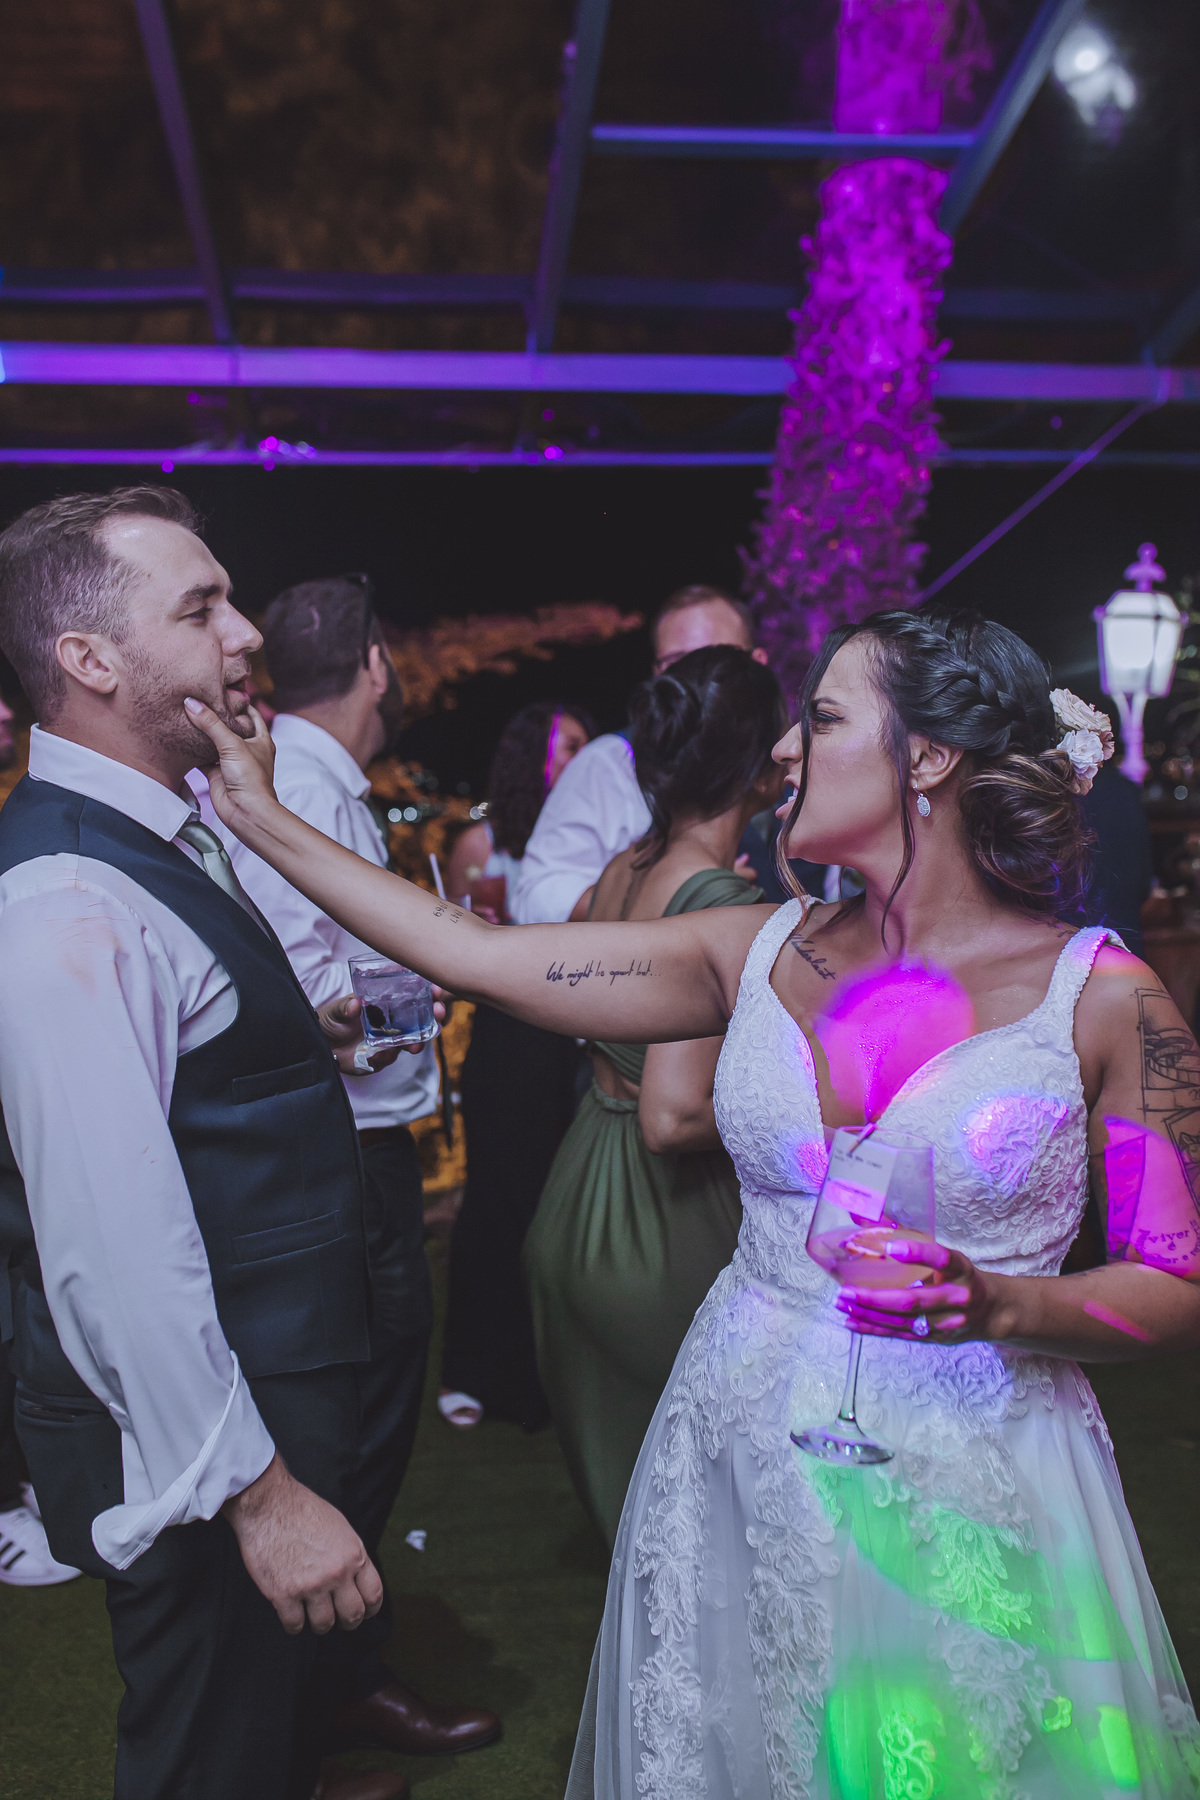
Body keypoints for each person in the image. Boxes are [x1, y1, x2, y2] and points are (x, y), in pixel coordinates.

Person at [191, 602, 1200, 1800]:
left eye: (824, 718)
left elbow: (1175, 1283)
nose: (783, 747)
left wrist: (1001, 1307)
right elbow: (474, 955)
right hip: (740, 1440)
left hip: (979, 1477)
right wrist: (259, 816)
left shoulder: (1109, 1002)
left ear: (927, 756)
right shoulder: (745, 949)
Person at [0, 487, 417, 1800]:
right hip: (215, 1438)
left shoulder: (159, 827)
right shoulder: (68, 895)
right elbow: (112, 1246)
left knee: (256, 1737)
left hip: (264, 1394)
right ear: (88, 659)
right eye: (201, 608)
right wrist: (258, 1495)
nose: (245, 635)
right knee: (205, 1761)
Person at [208, 575, 500, 1764]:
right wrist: (410, 992)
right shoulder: (309, 781)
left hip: (351, 1144)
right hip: (344, 1149)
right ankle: (329, 1690)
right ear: (378, 662)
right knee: (361, 1419)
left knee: (366, 1408)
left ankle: (334, 1680)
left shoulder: (312, 775)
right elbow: (296, 982)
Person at [523, 647, 784, 1543]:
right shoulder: (716, 901)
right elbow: (673, 1117)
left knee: (638, 1510)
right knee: (708, 1521)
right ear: (754, 769)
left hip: (577, 1190)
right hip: (658, 1220)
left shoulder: (621, 871)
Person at [438, 701, 593, 1431]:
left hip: (575, 1033)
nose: (581, 759)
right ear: (534, 756)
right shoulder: (485, 842)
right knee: (498, 1198)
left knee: (558, 1203)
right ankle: (472, 1368)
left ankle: (547, 1373)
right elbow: (455, 942)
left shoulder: (592, 844)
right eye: (570, 746)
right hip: (507, 1037)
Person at [507, 584, 770, 926]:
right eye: (678, 663)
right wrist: (670, 893)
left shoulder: (793, 756)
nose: (697, 677)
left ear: (757, 665)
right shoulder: (612, 762)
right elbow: (535, 896)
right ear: (658, 674)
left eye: (717, 658)